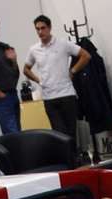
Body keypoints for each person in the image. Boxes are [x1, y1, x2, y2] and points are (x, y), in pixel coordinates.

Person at [23, 15, 91, 144]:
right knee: (60, 134)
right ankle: (66, 156)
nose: (40, 32)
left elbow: (85, 55)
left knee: (71, 132)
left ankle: (73, 156)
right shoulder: (34, 50)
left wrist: (72, 71)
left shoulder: (63, 43)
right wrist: (38, 80)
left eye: (43, 28)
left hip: (67, 94)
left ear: (50, 27)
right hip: (49, 97)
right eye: (38, 29)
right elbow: (26, 69)